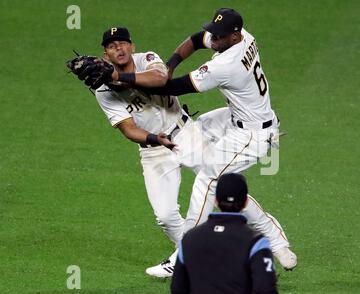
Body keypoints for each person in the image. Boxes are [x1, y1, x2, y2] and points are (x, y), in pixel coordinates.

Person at [68, 26, 295, 278]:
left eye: (122, 43)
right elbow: (128, 129)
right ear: (106, 53)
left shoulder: (148, 59)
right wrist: (154, 138)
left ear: (132, 46)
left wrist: (118, 78)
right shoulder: (102, 90)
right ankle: (194, 255)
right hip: (154, 151)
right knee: (165, 216)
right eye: (112, 46)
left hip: (187, 135)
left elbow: (160, 81)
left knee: (220, 188)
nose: (118, 48)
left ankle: (272, 238)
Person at [143, 8, 298, 272]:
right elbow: (195, 39)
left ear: (235, 36)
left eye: (219, 35)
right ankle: (274, 237)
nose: (213, 38)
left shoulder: (227, 65)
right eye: (213, 31)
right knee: (191, 132)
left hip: (252, 134)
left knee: (209, 179)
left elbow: (173, 87)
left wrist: (121, 80)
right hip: (237, 116)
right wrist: (168, 65)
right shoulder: (242, 36)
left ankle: (185, 252)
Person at [171, 173, 278, 294]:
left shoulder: (190, 239)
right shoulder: (256, 242)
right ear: (245, 202)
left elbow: (178, 288)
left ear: (215, 201)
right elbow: (265, 291)